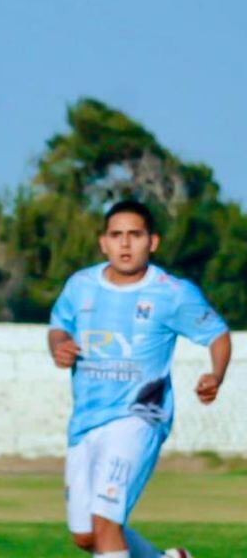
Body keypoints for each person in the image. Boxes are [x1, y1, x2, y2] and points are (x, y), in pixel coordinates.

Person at [49, 199, 231, 558]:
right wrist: (59, 346)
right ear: (103, 242)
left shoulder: (172, 292)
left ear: (153, 242)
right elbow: (59, 327)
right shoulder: (81, 285)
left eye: (135, 234)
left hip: (140, 416)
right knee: (86, 536)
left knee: (106, 521)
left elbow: (218, 335)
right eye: (116, 235)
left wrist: (216, 374)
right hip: (86, 420)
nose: (125, 243)